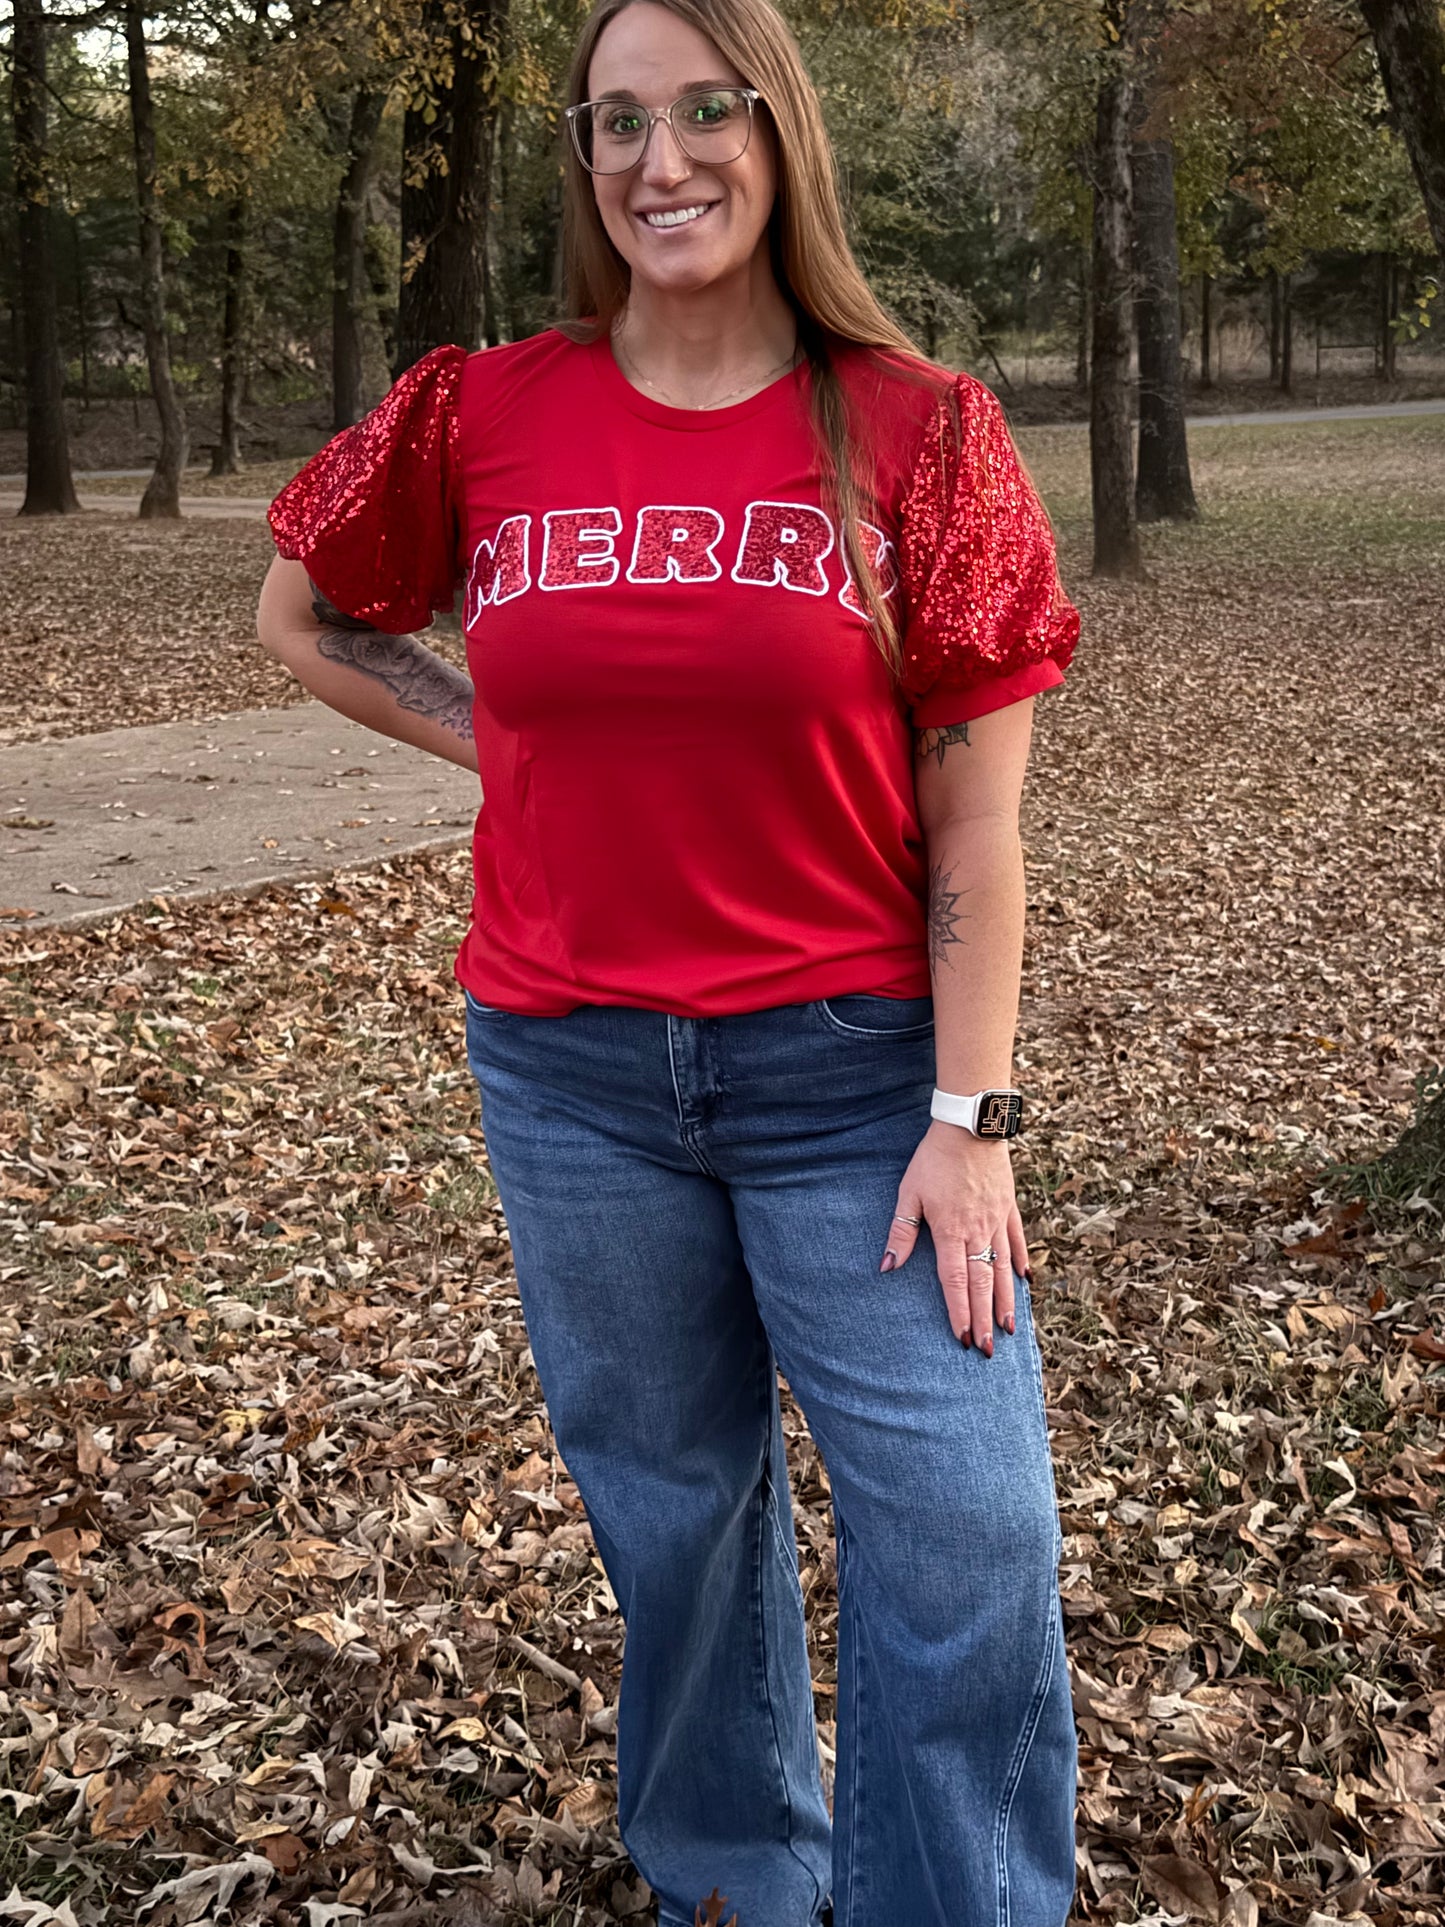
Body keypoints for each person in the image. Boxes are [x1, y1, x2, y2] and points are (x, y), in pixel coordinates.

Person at [257, 0, 1082, 1919]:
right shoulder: (486, 407)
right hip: (571, 1077)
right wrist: (502, 740)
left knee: (964, 1542)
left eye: (705, 111)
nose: (661, 160)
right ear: (581, 156)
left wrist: (973, 1114)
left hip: (854, 1075)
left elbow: (975, 822)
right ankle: (732, 1870)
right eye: (616, 121)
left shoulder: (917, 429)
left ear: (778, 133)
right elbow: (304, 610)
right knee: (677, 1513)